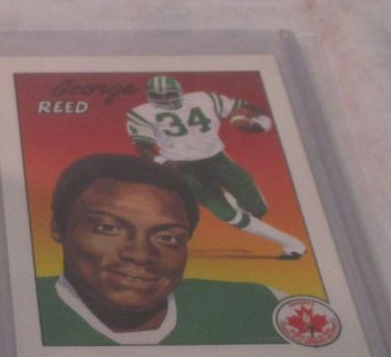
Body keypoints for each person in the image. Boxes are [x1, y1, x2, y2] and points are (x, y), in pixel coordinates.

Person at [37, 154, 284, 347]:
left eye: (167, 237)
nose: (141, 254)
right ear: (58, 227)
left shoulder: (263, 306)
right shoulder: (24, 311)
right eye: (108, 228)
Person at [124, 74, 307, 258]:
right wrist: (161, 162)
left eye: (169, 95)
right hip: (183, 168)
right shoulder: (141, 113)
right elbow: (143, 147)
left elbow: (243, 106)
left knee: (258, 208)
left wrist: (258, 118)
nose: (164, 100)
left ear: (179, 92)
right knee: (227, 214)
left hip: (218, 160)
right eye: (158, 96)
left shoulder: (204, 98)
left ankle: (233, 201)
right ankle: (291, 244)